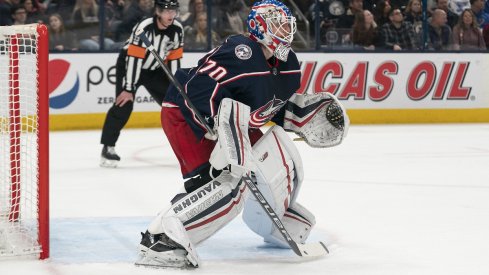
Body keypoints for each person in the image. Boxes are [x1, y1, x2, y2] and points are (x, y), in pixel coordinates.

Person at [135, 0, 348, 269]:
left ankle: (276, 219)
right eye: (277, 25)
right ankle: (161, 239)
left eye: (287, 25)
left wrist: (301, 116)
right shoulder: (241, 50)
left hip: (236, 119)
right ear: (259, 27)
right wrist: (213, 127)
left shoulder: (289, 64)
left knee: (280, 154)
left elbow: (272, 106)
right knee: (223, 185)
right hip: (187, 114)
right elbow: (196, 86)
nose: (285, 31)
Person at [99, 0, 183, 167]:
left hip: (156, 69)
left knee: (175, 105)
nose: (171, 15)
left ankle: (187, 147)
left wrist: (177, 87)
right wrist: (129, 88)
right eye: (167, 11)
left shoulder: (177, 30)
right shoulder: (144, 27)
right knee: (124, 103)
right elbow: (134, 59)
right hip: (129, 65)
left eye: (174, 11)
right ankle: (108, 148)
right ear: (158, 12)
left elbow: (174, 60)